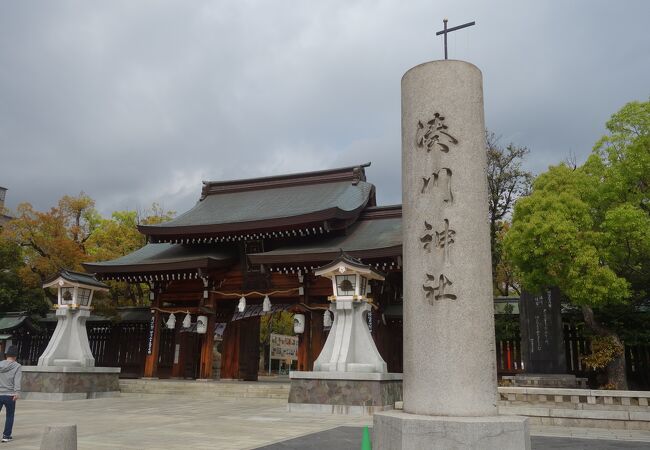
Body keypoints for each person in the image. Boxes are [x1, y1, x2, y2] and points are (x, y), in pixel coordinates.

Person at [0, 346, 21, 443]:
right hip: (10, 395)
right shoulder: (17, 366)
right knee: (10, 416)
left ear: (6, 354)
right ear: (15, 356)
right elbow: (17, 380)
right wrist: (17, 392)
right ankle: (6, 436)